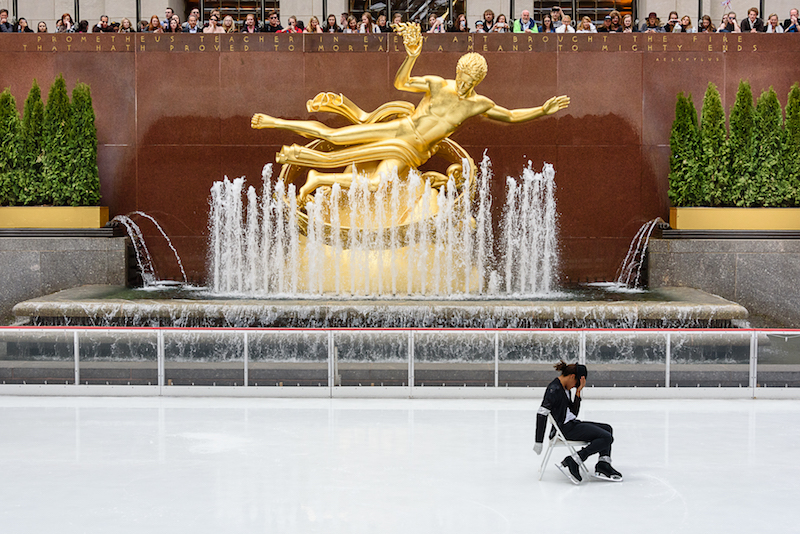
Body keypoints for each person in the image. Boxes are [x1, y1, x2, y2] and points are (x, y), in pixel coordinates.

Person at [251, 22, 569, 201]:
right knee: (335, 136)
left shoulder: (478, 104)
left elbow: (511, 116)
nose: (462, 83)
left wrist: (542, 109)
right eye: (460, 76)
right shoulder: (436, 84)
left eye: (469, 80)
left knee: (376, 184)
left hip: (412, 151)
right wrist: (412, 55)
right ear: (456, 72)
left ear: (478, 81)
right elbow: (401, 81)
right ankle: (272, 122)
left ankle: (317, 178)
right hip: (401, 129)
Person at [533, 361, 623, 484]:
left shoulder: (565, 389)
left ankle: (603, 464)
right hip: (565, 429)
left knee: (607, 429)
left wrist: (578, 392)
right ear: (572, 377)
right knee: (607, 437)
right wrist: (538, 441)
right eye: (576, 384)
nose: (575, 386)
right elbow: (541, 413)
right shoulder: (554, 389)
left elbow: (573, 413)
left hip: (572, 424)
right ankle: (575, 460)